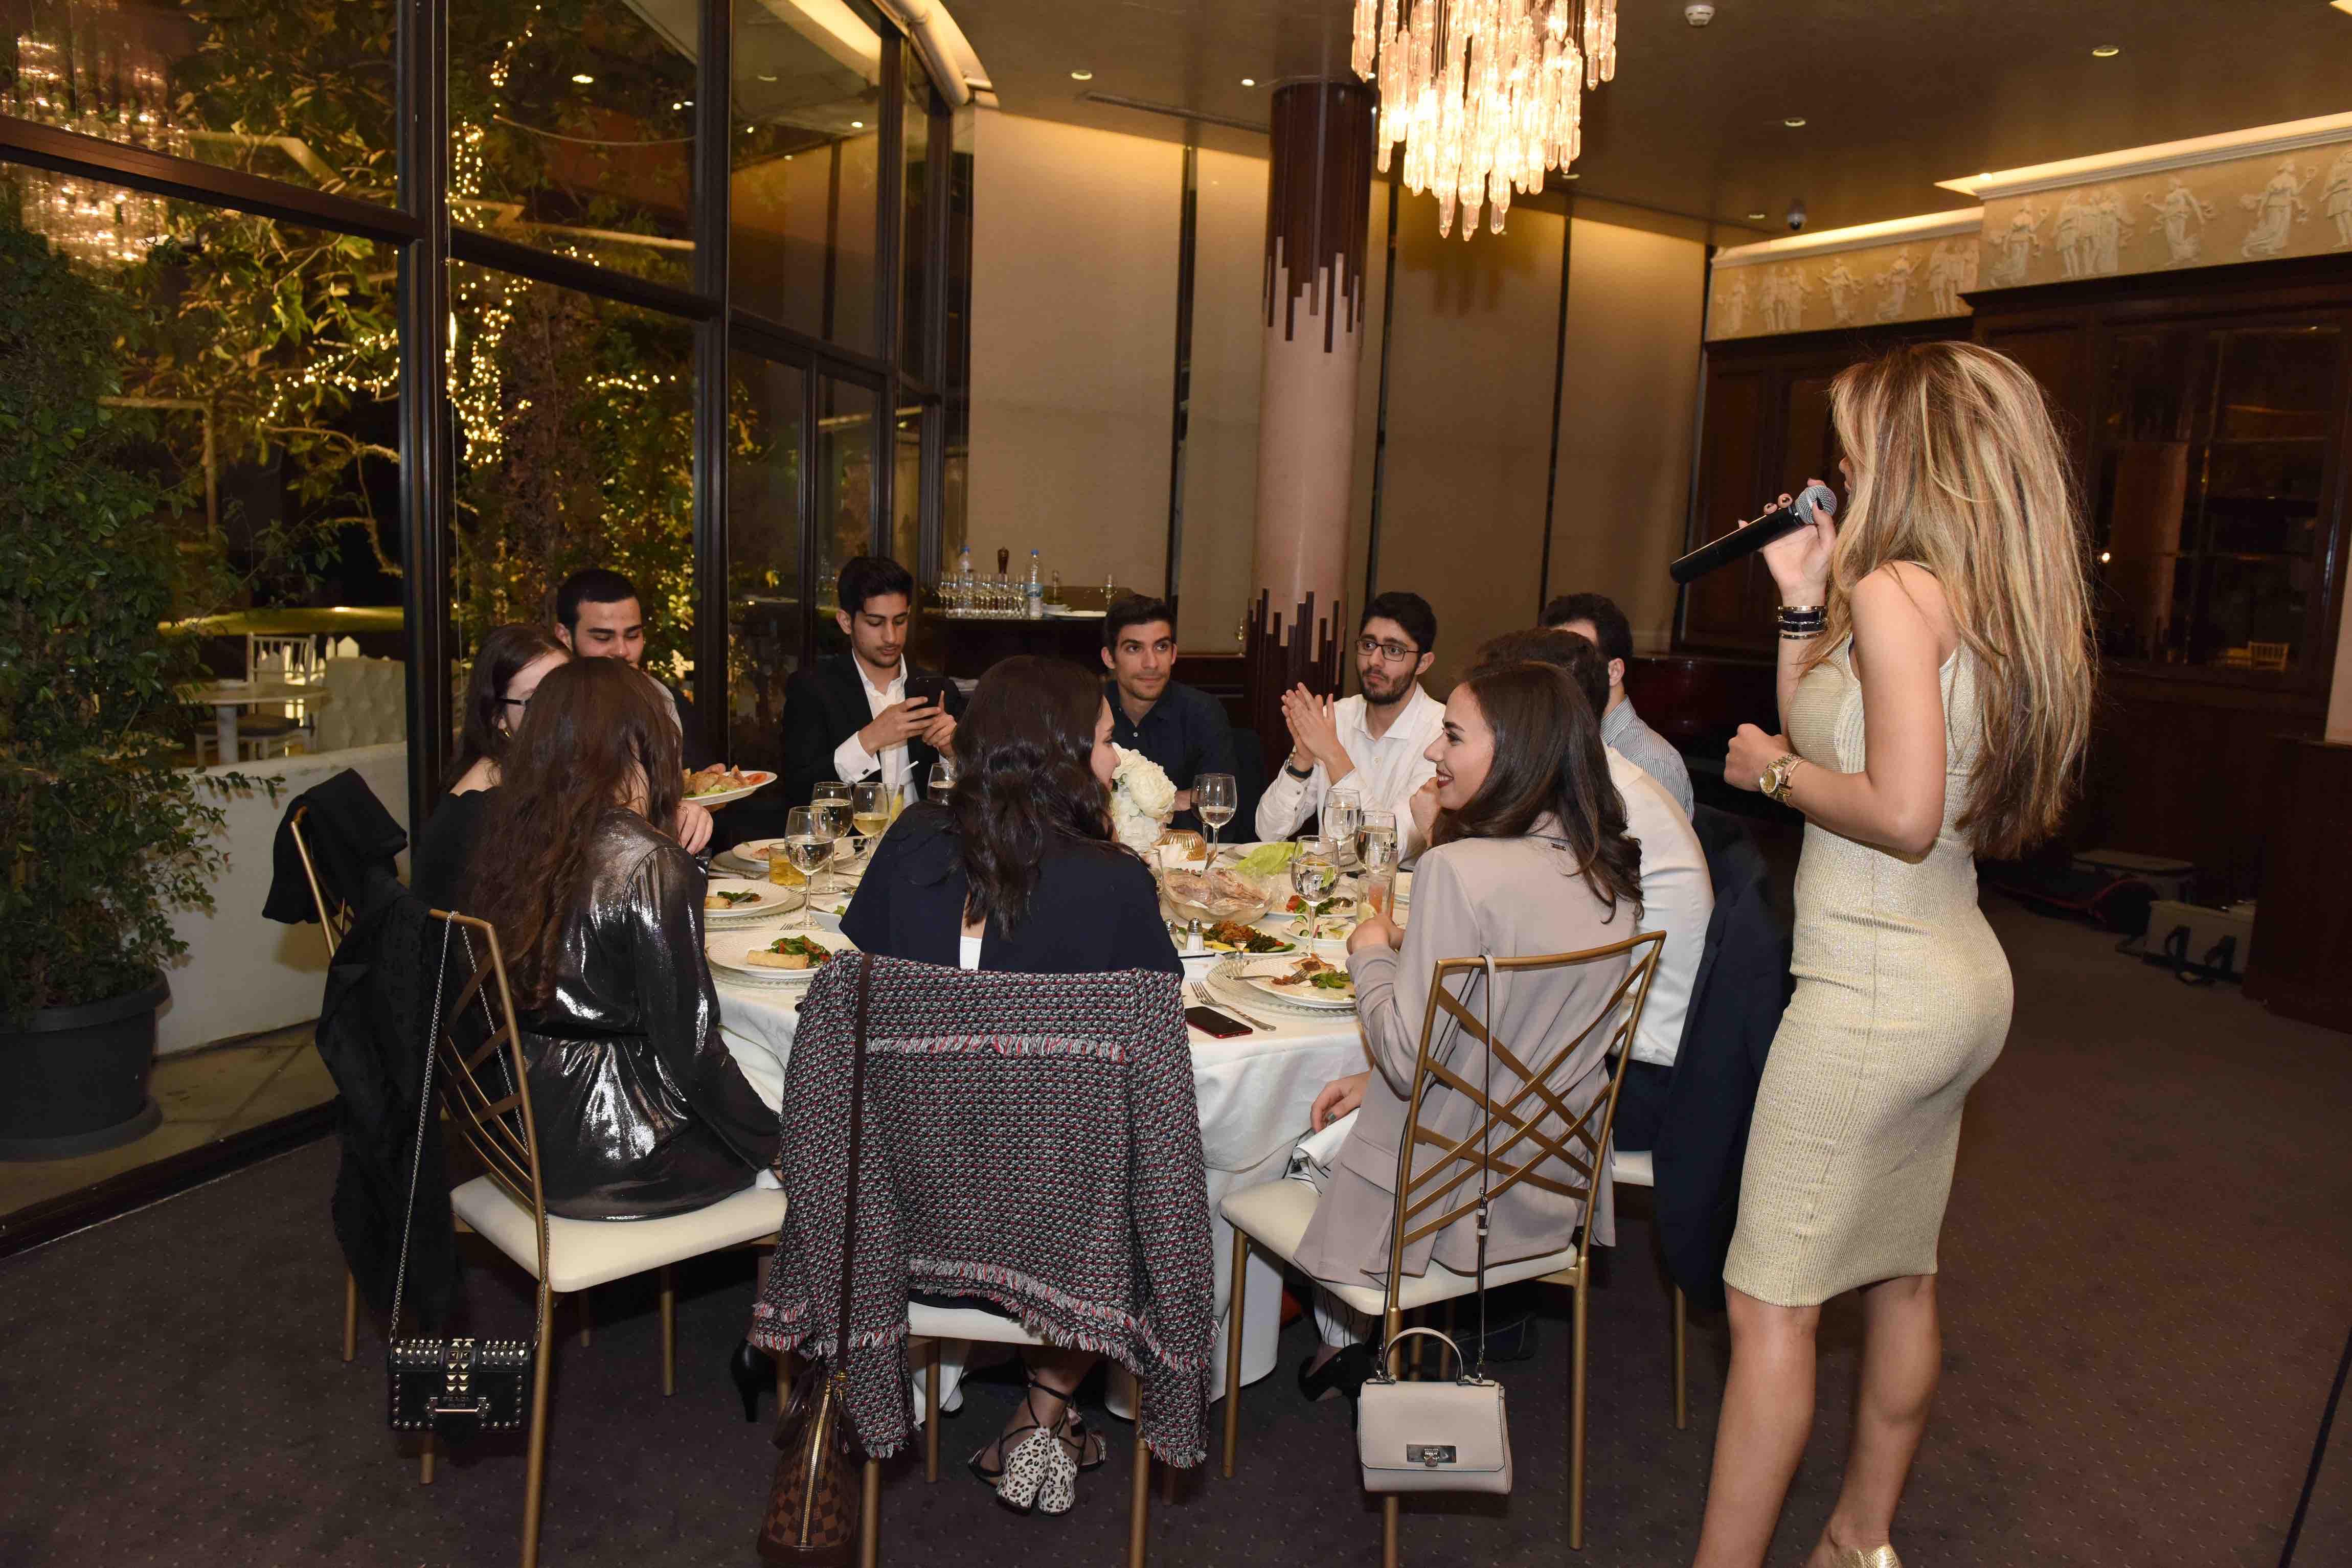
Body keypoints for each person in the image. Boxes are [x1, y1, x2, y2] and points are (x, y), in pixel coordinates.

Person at [1694, 341, 2093, 1568]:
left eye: (1858, 442)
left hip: (1870, 990)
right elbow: (1846, 736)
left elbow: (1901, 811)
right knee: (1901, 1277)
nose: (1843, 466)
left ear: (1910, 452)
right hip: (1956, 979)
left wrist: (1768, 772)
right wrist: (1799, 600)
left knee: (1769, 1303)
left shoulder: (1895, 590)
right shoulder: (1982, 595)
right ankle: (1858, 1542)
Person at [841, 654, 1180, 1510]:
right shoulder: (1113, 881)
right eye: (1101, 741)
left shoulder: (910, 841)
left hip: (902, 1201)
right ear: (1059, 754)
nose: (1114, 760)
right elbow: (1155, 1050)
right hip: (1059, 1236)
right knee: (1156, 1168)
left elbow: (863, 998)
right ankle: (1045, 1407)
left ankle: (1028, 1405)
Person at [1290, 661, 1646, 1397]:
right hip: (1546, 1186)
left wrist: (1370, 953)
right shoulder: (1606, 871)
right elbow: (1516, 1027)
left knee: (1281, 1142)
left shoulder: (1458, 870)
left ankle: (1331, 1352)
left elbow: (1405, 1060)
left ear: (1515, 751)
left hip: (1441, 1203)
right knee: (1349, 1096)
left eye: (1452, 736)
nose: (1432, 750)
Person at [468, 658, 780, 1219]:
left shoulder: (518, 838)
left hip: (526, 1133)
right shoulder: (648, 860)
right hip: (626, 1158)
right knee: (802, 1093)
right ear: (640, 742)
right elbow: (691, 1050)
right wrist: (780, 1146)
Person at [1471, 628, 1713, 1152]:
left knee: (1422, 1076)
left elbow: (1525, 966)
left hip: (1631, 1076)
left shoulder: (1603, 803)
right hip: (1606, 1047)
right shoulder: (1592, 779)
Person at [1254, 592, 1447, 854]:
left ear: (1423, 663)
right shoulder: (1336, 717)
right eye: (1368, 645)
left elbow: (1388, 847)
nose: (1374, 661)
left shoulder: (1442, 734)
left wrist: (1333, 754)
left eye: (1393, 650)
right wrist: (1303, 760)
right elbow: (1267, 831)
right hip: (1326, 877)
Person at [778, 555, 964, 810]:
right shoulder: (812, 690)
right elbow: (798, 792)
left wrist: (953, 753)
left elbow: (981, 795)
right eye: (875, 623)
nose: (891, 637)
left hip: (925, 834)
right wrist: (869, 740)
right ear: (846, 622)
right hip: (850, 836)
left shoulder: (939, 690)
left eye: (900, 621)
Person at [554, 567, 715, 852]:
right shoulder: (548, 708)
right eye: (603, 638)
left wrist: (702, 796)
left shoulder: (665, 701)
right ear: (565, 636)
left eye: (633, 635)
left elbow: (677, 798)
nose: (622, 651)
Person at [409, 624, 568, 910]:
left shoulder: (528, 774)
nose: (557, 712)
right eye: (536, 701)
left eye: (566, 693)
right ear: (498, 716)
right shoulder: (485, 809)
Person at [1542, 591, 1695, 818]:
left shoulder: (1649, 762)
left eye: (1575, 658)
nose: (1557, 673)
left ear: (1613, 672)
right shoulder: (1560, 740)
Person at [1099, 595, 1238, 834]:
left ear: (1173, 654)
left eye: (1161, 647)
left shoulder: (1203, 712)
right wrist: (1178, 800)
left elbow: (1218, 804)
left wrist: (1123, 806)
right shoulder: (1089, 711)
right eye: (1134, 648)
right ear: (1110, 658)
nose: (1151, 663)